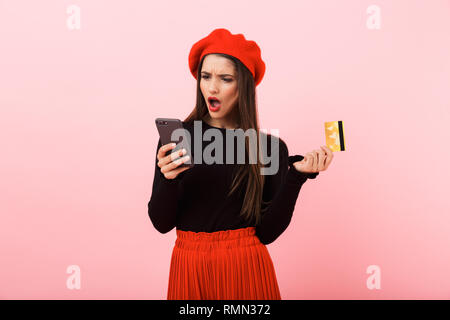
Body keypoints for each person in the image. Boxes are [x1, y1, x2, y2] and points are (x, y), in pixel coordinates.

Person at [147, 28, 334, 300]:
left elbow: (268, 232)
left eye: (225, 79)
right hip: (190, 268)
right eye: (206, 76)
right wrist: (168, 179)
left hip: (247, 268)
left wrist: (295, 176)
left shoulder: (270, 148)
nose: (212, 87)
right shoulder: (179, 138)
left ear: (243, 86)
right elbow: (161, 222)